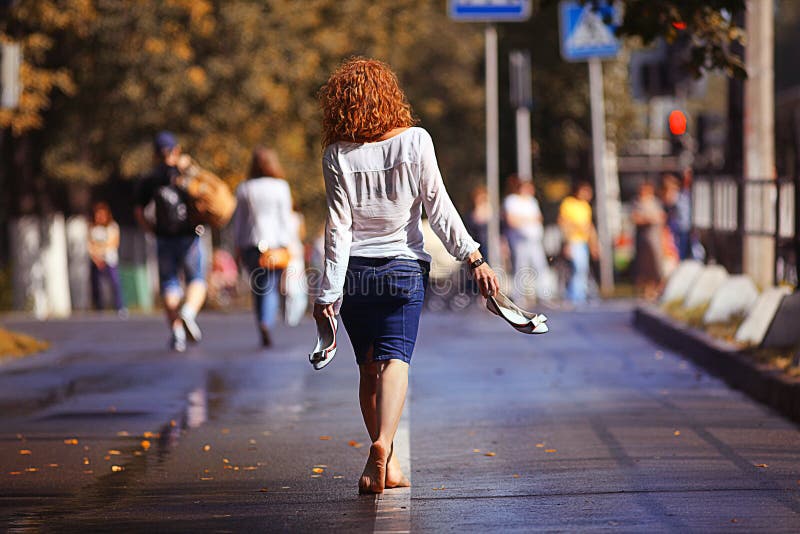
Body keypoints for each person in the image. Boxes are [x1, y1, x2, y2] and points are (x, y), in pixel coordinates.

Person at [314, 57, 499, 494]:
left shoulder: (336, 155)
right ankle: (384, 447)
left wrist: (328, 291)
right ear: (388, 96)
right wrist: (474, 257)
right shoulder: (416, 141)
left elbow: (338, 228)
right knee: (397, 360)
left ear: (340, 105)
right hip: (403, 268)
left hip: (357, 272)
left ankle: (386, 461)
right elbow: (439, 207)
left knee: (366, 367)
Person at [134, 131, 207, 352]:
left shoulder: (150, 179)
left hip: (164, 238)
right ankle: (188, 313)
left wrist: (151, 229)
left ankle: (176, 333)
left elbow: (139, 210)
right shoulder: (187, 173)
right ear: (176, 150)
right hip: (189, 237)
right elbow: (206, 194)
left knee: (169, 284)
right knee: (196, 279)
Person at [233, 147, 293, 347]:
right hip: (275, 245)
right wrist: (288, 244)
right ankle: (266, 322)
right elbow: (286, 219)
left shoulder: (244, 188)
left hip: (251, 244)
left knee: (258, 287)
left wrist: (238, 245)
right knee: (270, 287)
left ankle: (261, 322)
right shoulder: (281, 187)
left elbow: (239, 221)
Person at [503, 176, 550, 305]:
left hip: (534, 240)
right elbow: (512, 221)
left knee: (540, 266)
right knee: (520, 267)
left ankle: (544, 296)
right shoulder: (511, 201)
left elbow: (538, 218)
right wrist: (528, 219)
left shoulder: (532, 201)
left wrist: (524, 219)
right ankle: (519, 297)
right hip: (519, 241)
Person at [558, 181, 597, 304]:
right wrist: (567, 243)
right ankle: (574, 297)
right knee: (578, 269)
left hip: (583, 242)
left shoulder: (585, 206)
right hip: (573, 241)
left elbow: (589, 227)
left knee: (582, 270)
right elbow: (564, 224)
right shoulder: (568, 204)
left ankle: (579, 295)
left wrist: (594, 244)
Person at [88, 201, 125, 314]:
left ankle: (120, 307)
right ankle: (99, 307)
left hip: (110, 260)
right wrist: (96, 257)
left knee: (115, 283)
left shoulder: (112, 227)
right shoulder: (92, 228)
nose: (100, 217)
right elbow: (90, 244)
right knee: (96, 285)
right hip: (96, 261)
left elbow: (113, 243)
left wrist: (101, 250)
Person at [632, 181, 666, 300]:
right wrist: (648, 219)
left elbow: (660, 218)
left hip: (654, 239)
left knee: (656, 266)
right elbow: (636, 219)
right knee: (644, 267)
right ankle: (645, 291)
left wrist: (649, 218)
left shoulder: (655, 203)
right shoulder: (637, 203)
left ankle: (655, 290)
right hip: (642, 241)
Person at [662, 171, 693, 260]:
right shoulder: (676, 195)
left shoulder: (685, 194)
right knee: (678, 250)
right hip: (678, 227)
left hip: (686, 226)